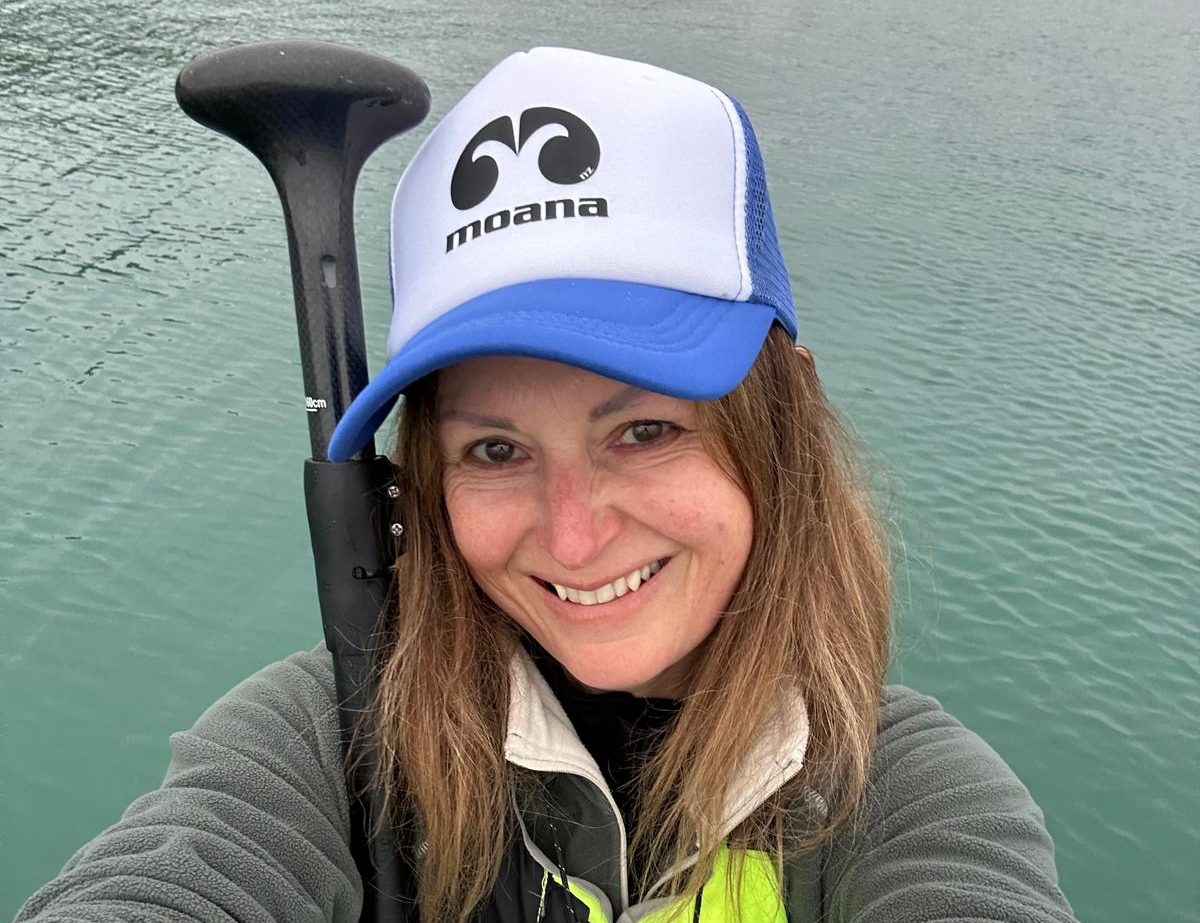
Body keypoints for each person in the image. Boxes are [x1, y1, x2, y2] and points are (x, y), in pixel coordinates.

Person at [17, 48, 1077, 923]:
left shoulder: (910, 801)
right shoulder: (331, 735)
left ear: (785, 419)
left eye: (648, 428)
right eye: (494, 450)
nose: (573, 539)